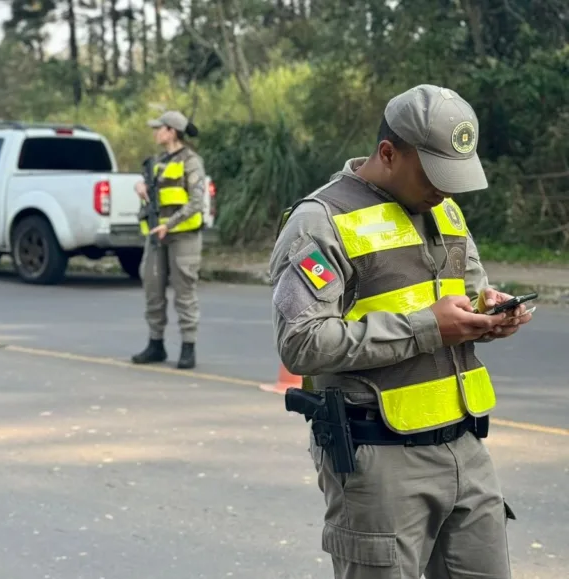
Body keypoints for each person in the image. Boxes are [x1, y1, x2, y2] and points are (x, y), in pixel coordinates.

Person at [270, 84, 533, 579]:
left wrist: (490, 313)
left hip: (466, 450)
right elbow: (300, 343)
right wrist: (428, 328)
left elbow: (468, 293)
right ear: (388, 153)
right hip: (378, 460)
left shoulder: (446, 209)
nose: (446, 189)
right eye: (434, 174)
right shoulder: (320, 221)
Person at [131, 110, 206, 370]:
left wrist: (169, 225)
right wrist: (140, 189)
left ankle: (188, 347)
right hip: (156, 237)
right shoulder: (157, 161)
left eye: (159, 128)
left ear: (172, 131)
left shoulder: (191, 161)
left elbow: (196, 202)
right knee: (153, 290)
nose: (155, 132)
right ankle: (156, 344)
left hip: (183, 237)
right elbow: (154, 194)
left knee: (184, 293)